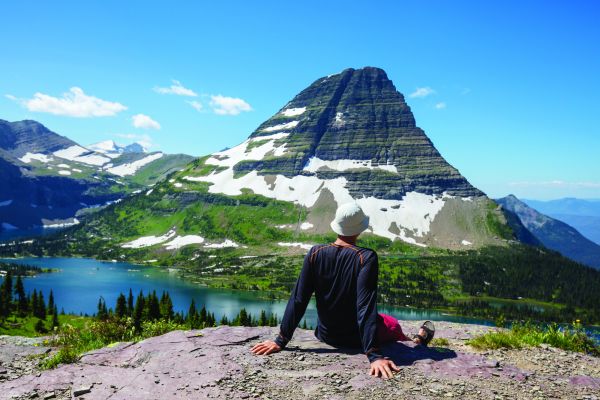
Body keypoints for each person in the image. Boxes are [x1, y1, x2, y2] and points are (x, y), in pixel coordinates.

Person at [250, 202, 435, 379]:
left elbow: (299, 299)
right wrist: (374, 355)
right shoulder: (366, 257)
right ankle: (418, 341)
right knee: (392, 323)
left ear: (336, 226)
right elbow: (365, 306)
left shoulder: (315, 253)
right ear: (360, 228)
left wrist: (280, 340)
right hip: (356, 340)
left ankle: (415, 340)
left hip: (325, 335)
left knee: (385, 321)